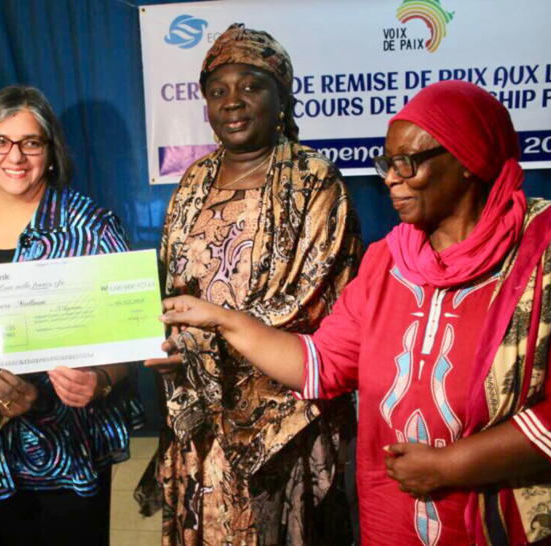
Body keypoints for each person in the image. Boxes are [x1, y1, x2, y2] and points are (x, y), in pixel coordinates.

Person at [159, 80, 551, 545]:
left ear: (467, 159)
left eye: (406, 163)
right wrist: (222, 319)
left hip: (502, 521)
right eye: (386, 164)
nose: (390, 178)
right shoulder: (387, 262)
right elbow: (321, 364)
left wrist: (451, 466)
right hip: (396, 516)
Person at [141, 24, 362, 545]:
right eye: (217, 91)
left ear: (281, 95)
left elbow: (316, 298)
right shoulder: (192, 182)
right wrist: (173, 341)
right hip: (202, 419)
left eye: (250, 86)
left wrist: (208, 342)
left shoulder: (315, 180)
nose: (232, 102)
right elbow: (173, 283)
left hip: (284, 420)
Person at [0, 85, 144, 546]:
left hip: (69, 448)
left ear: (50, 152)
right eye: (0, 141)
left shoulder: (91, 226)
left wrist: (99, 379)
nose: (16, 156)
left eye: (31, 142)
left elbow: (132, 338)